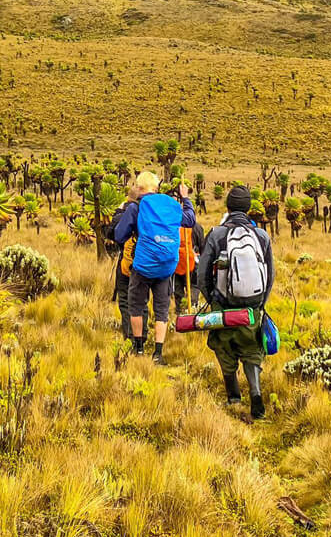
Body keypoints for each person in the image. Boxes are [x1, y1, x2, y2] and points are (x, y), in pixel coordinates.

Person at [197, 184, 275, 419]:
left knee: (224, 347)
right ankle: (256, 393)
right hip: (253, 304)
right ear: (249, 208)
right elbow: (270, 275)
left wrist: (212, 299)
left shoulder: (217, 234)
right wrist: (260, 303)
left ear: (228, 207)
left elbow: (201, 275)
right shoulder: (261, 236)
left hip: (223, 304)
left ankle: (233, 396)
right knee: (252, 349)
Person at [114, 170, 196, 362]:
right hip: (167, 266)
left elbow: (119, 235)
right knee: (162, 309)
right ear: (156, 188)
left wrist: (124, 218)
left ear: (140, 188)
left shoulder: (137, 207)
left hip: (143, 266)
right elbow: (190, 220)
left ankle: (139, 348)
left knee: (136, 305)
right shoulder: (171, 204)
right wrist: (186, 198)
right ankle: (158, 354)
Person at [106, 184, 142, 338]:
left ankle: (129, 334)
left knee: (125, 300)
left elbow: (110, 233)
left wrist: (119, 212)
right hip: (143, 262)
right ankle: (142, 334)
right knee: (141, 301)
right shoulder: (147, 215)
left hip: (125, 263)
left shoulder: (123, 215)